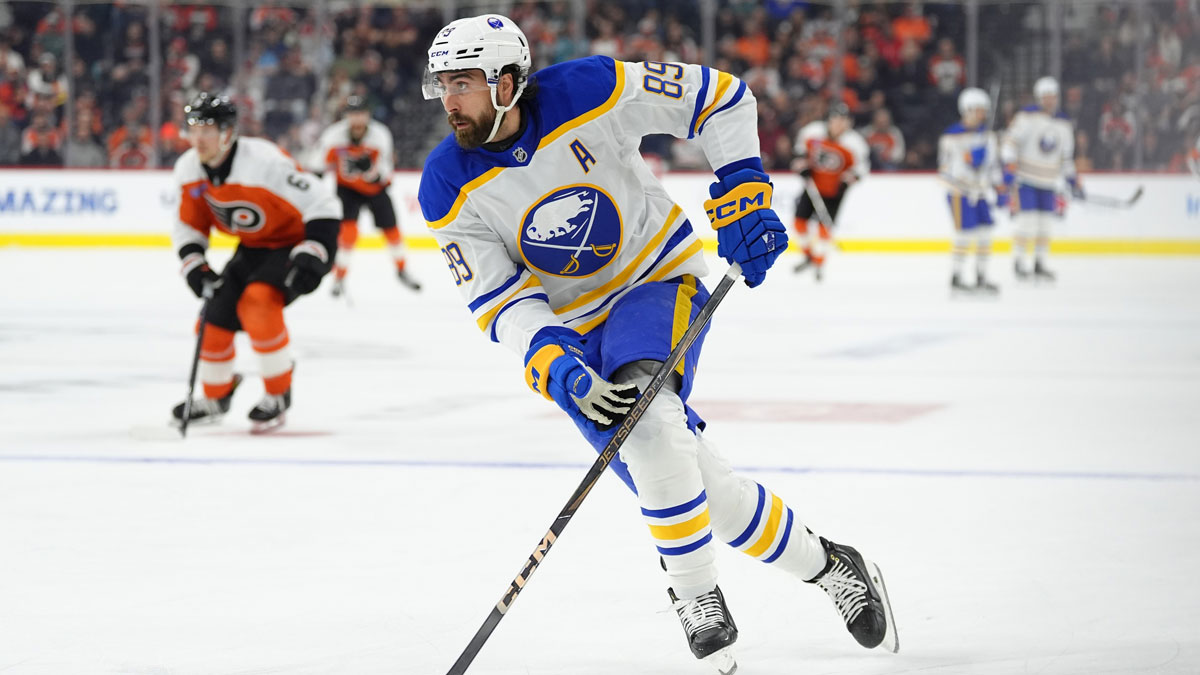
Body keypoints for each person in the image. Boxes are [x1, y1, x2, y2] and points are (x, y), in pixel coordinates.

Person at [417, 15, 897, 672]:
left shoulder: (589, 89)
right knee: (700, 488)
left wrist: (745, 192)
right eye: (443, 83)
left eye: (464, 82)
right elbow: (498, 298)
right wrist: (552, 360)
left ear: (506, 82)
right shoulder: (445, 180)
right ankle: (832, 566)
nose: (448, 99)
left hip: (654, 280)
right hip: (573, 335)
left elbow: (721, 97)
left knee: (649, 422)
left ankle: (696, 597)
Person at [169, 92, 340, 432]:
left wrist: (314, 253)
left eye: (207, 129)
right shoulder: (188, 169)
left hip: (292, 245)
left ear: (228, 132)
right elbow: (190, 224)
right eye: (193, 128)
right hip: (252, 246)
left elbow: (323, 203)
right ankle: (217, 395)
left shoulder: (264, 163)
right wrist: (194, 264)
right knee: (213, 316)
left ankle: (278, 393)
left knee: (259, 304)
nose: (198, 138)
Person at [310, 94, 420, 296]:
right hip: (347, 190)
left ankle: (402, 269)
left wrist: (369, 171)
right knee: (347, 234)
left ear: (368, 115)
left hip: (375, 190)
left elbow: (385, 174)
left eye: (360, 114)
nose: (357, 119)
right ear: (346, 116)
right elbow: (318, 165)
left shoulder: (380, 135)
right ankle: (340, 276)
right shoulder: (333, 135)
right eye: (352, 114)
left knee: (392, 230)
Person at [1000, 76, 1082, 281]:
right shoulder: (1027, 118)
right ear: (1038, 98)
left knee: (1045, 224)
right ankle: (1019, 262)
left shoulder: (1064, 124)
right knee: (1026, 222)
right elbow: (1009, 144)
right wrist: (1009, 167)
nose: (1049, 100)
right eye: (1045, 96)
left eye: (1052, 96)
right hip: (1026, 179)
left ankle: (1039, 263)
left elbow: (1066, 158)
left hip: (1049, 182)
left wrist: (1073, 180)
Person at [791, 102, 869, 281]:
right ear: (829, 120)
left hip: (835, 192)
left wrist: (847, 181)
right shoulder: (812, 133)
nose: (839, 124)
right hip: (812, 187)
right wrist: (802, 167)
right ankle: (808, 256)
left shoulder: (854, 143)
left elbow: (862, 168)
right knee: (799, 223)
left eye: (844, 120)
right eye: (836, 119)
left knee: (823, 228)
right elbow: (798, 153)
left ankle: (819, 262)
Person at [938, 87, 1002, 294]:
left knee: (985, 234)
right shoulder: (952, 136)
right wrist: (970, 163)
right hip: (960, 193)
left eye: (985, 110)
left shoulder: (989, 137)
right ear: (968, 109)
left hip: (981, 192)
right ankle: (956, 277)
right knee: (964, 235)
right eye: (979, 110)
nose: (983, 114)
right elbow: (945, 169)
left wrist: (999, 188)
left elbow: (993, 167)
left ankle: (981, 276)